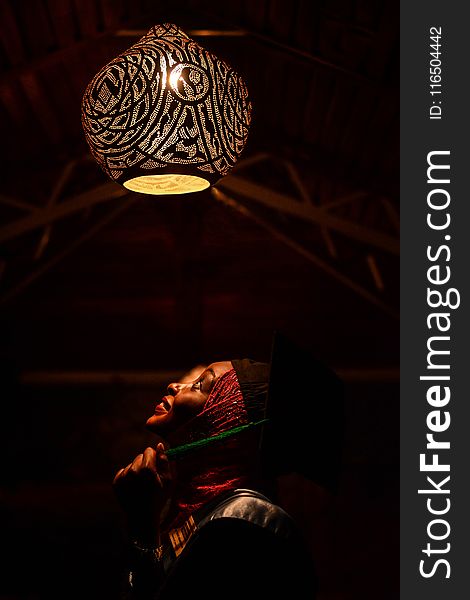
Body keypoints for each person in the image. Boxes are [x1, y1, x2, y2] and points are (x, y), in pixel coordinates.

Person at [113, 356, 320, 600]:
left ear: (226, 420)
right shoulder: (197, 509)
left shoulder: (245, 521)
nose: (174, 386)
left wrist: (142, 524)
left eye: (199, 385)